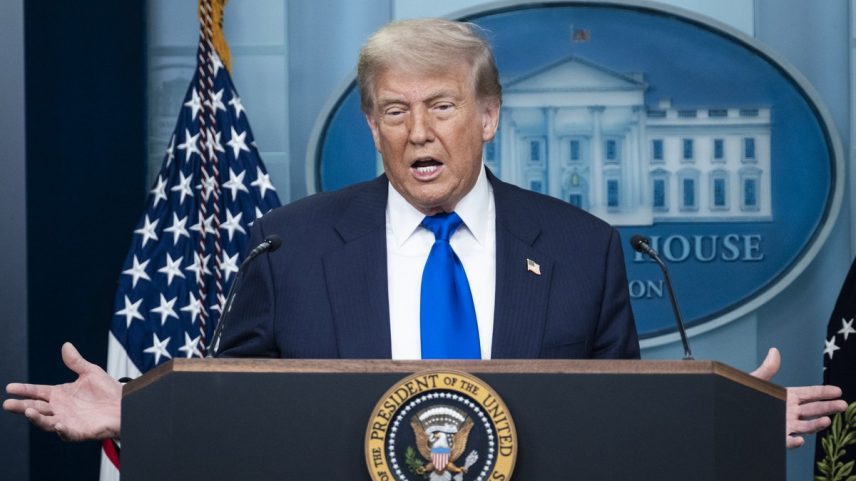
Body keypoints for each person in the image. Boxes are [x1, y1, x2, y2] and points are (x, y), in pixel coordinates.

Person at [3, 18, 846, 449]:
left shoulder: (581, 245)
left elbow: (609, 415)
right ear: (370, 126)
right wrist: (139, 414)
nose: (418, 132)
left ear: (487, 116)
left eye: (441, 106)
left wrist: (719, 423)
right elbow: (242, 410)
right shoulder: (288, 244)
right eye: (394, 110)